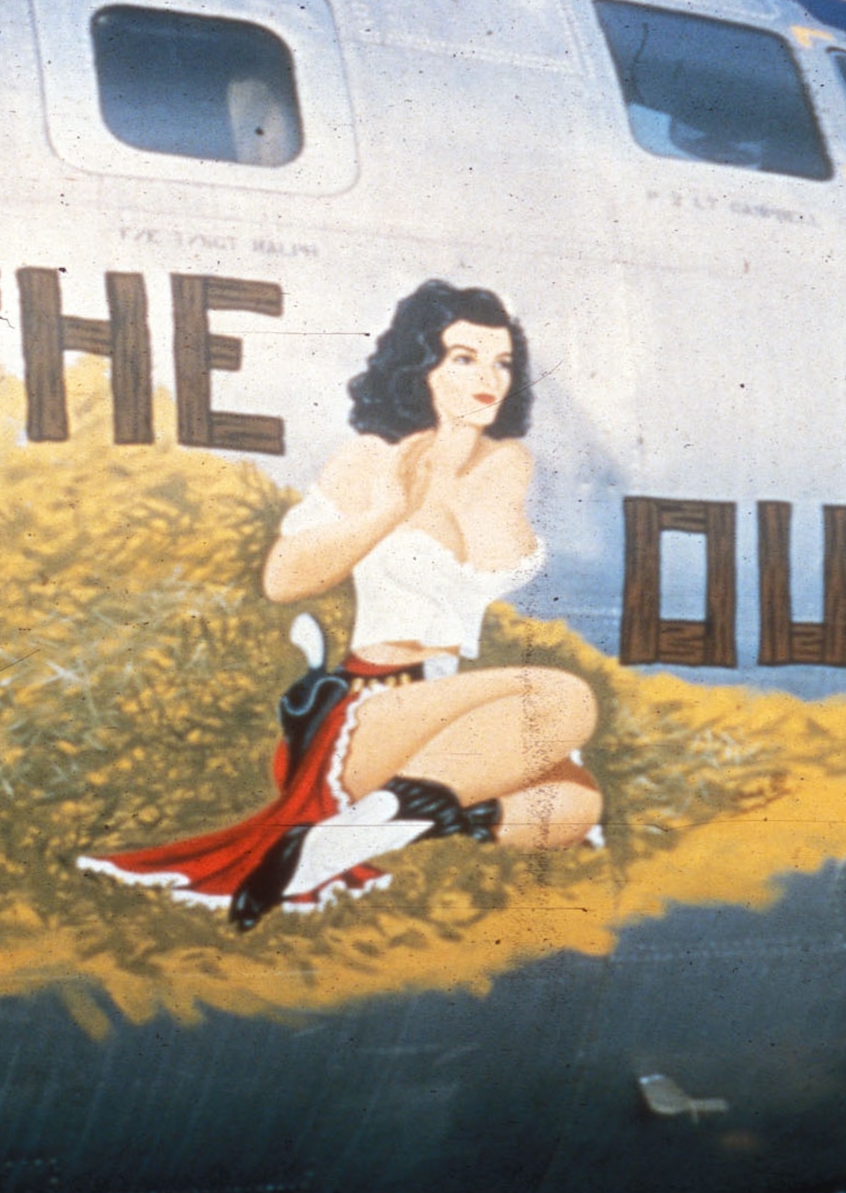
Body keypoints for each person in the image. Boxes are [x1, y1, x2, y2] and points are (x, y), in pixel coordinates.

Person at [80, 280, 601, 925]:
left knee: (575, 806)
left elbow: (491, 559)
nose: (486, 377)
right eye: (462, 358)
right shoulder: (368, 459)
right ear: (422, 367)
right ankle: (361, 826)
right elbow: (283, 579)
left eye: (500, 362)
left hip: (448, 712)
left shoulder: (506, 464)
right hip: (371, 704)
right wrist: (387, 512)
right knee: (563, 699)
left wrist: (470, 470)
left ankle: (347, 840)